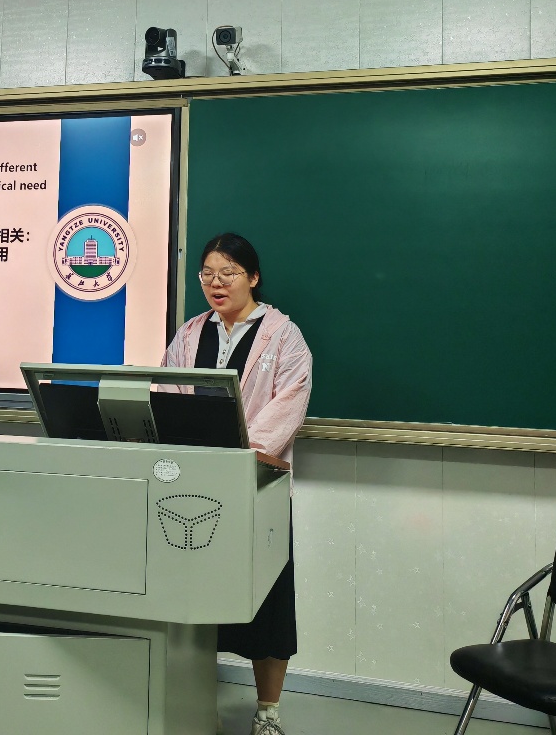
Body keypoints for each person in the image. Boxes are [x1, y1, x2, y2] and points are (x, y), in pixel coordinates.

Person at [162, 232, 312, 735]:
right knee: (194, 595)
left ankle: (268, 712)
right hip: (192, 487)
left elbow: (288, 404)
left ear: (253, 277)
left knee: (268, 602)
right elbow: (169, 392)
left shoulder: (283, 336)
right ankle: (190, 697)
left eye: (228, 273)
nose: (216, 283)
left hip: (255, 487)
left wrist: (237, 452)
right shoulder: (190, 333)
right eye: (207, 273)